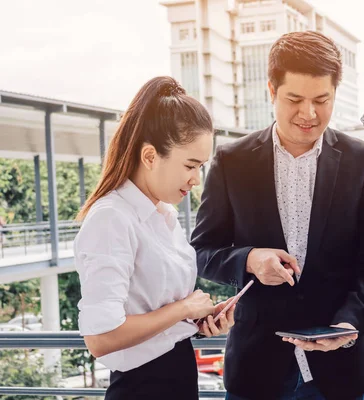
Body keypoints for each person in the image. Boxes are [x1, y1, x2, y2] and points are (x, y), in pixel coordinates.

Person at [190, 31, 364, 400]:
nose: (309, 113)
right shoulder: (231, 161)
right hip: (257, 371)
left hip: (339, 372)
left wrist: (348, 324)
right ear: (271, 90)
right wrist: (250, 259)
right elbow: (203, 251)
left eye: (322, 100)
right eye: (295, 99)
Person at [74, 76, 235, 400]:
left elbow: (158, 316)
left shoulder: (162, 217)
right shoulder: (112, 218)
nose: (195, 180)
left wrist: (197, 320)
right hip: (141, 388)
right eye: (190, 165)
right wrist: (183, 308)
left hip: (176, 375)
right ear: (149, 157)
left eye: (201, 167)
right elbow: (101, 338)